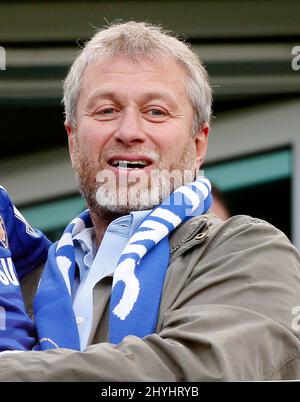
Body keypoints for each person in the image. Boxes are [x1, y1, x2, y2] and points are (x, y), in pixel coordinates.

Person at [0, 21, 300, 381]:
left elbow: (198, 374)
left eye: (156, 111)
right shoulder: (23, 286)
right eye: (106, 110)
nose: (129, 132)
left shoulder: (249, 251)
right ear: (73, 140)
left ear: (199, 143)